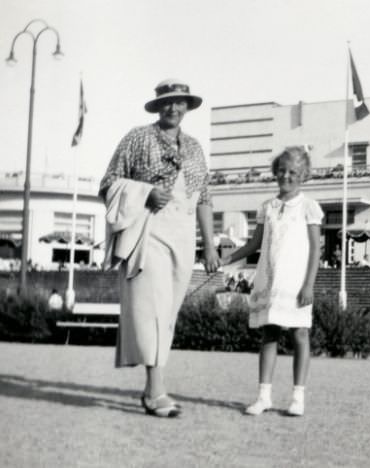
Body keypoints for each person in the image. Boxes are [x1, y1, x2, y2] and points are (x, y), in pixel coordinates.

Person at [99, 79, 220, 418]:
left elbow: (205, 198)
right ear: (158, 106)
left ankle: (153, 386)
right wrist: (145, 192)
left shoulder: (195, 148)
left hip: (182, 233)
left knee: (167, 313)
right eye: (167, 102)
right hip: (149, 228)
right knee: (153, 306)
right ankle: (156, 390)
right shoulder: (138, 137)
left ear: (187, 106)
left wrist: (209, 245)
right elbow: (108, 183)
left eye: (180, 102)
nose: (174, 108)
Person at [221, 147, 322, 417]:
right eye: (282, 171)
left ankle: (297, 397)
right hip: (270, 279)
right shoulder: (267, 207)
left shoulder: (309, 207)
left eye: (293, 172)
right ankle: (263, 395)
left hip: (296, 281)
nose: (286, 176)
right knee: (269, 334)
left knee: (300, 333)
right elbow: (255, 243)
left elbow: (315, 250)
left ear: (303, 176)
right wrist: (226, 258)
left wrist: (308, 284)